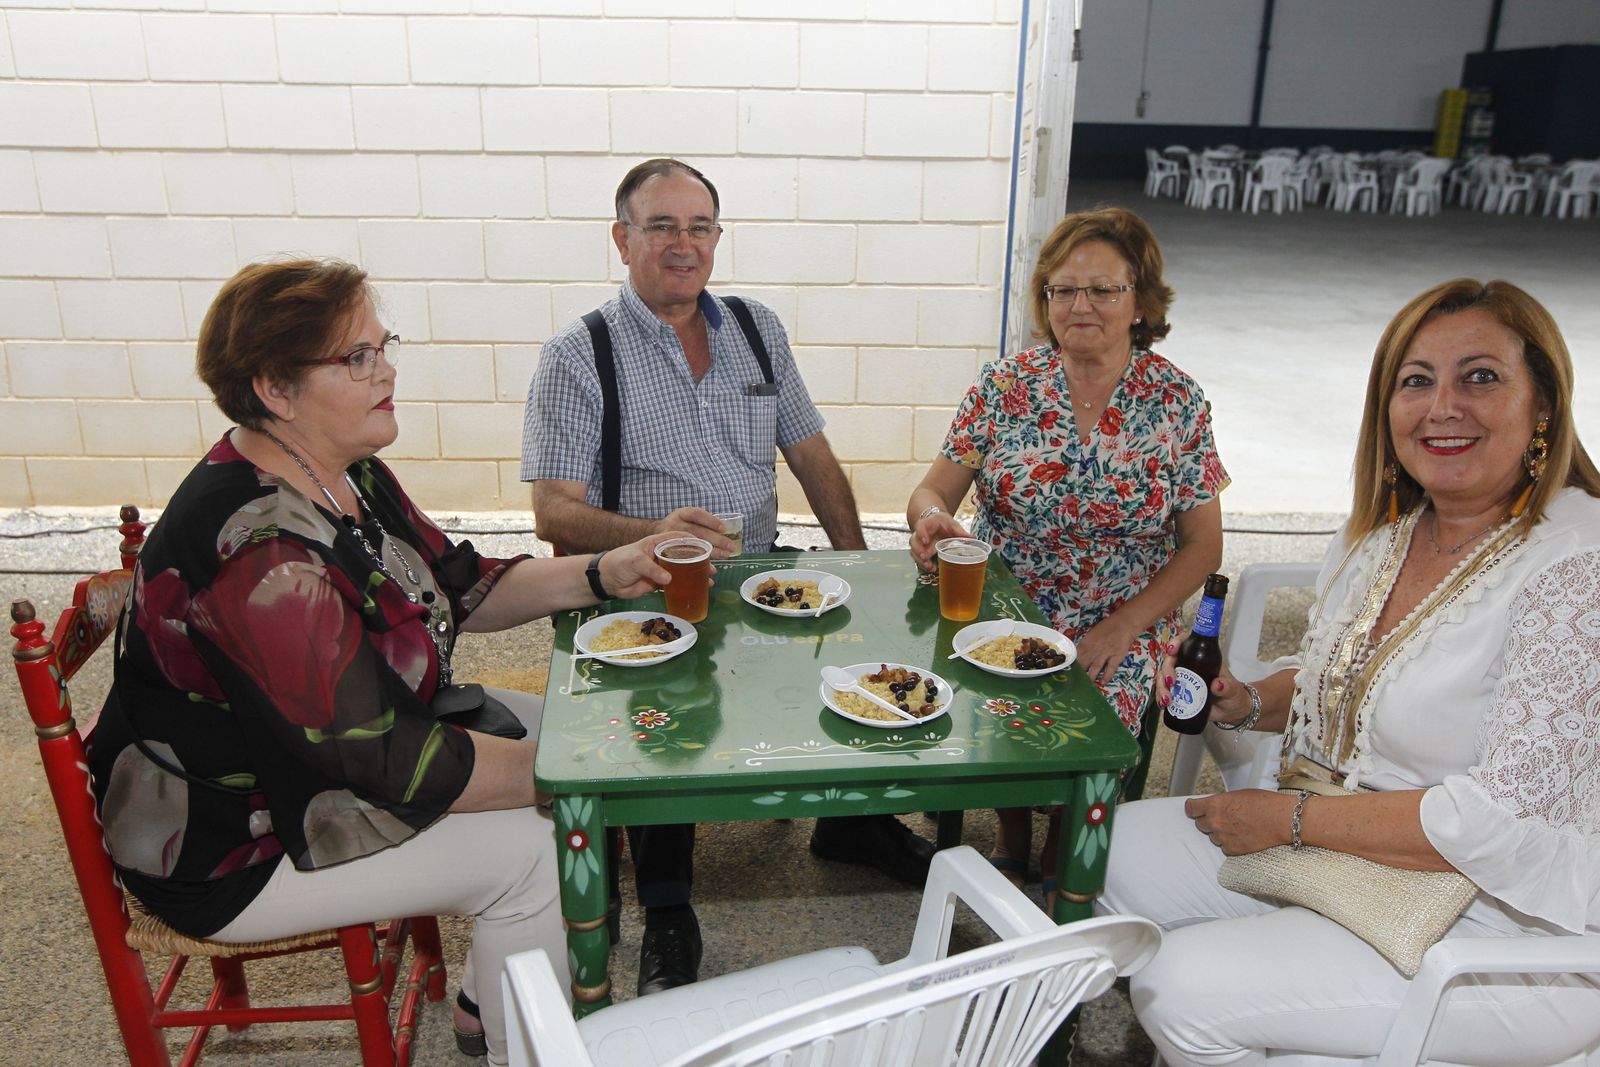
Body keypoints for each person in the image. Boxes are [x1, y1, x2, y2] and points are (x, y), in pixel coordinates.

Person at [89, 259, 677, 1067]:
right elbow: (390, 762)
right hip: (239, 841)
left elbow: (460, 584)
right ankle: (526, 1046)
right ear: (274, 387)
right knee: (544, 845)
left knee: (578, 733)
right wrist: (582, 773)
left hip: (335, 755)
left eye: (381, 345)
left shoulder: (341, 469)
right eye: (356, 357)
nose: (387, 368)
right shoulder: (261, 560)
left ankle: (488, 995)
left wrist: (604, 571)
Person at [1103, 279, 1600, 1066]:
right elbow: (1356, 678)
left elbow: (1497, 824)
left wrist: (1290, 821)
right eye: (1416, 380)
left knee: (1180, 988)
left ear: (1542, 405)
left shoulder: (1577, 561)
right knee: (1106, 849)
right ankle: (1273, 999)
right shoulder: (1389, 535)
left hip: (1495, 929)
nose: (1444, 406)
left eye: (1480, 376)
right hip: (1350, 859)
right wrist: (1242, 700)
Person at [520, 157, 935, 996]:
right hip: (646, 584)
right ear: (621, 239)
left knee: (850, 667)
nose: (684, 244)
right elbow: (554, 515)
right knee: (666, 727)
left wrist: (855, 564)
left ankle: (853, 823)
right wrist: (655, 536)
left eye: (699, 226)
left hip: (761, 574)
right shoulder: (579, 354)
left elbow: (811, 453)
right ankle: (669, 906)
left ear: (717, 237)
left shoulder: (755, 326)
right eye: (662, 226)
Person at [905, 206, 1225, 900]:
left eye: (1103, 289)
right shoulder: (1005, 387)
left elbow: (1203, 545)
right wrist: (932, 520)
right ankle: (1013, 833)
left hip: (1125, 609)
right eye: (1063, 289)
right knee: (992, 672)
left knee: (1101, 692)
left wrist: (1127, 623)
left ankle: (1062, 844)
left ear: (1139, 301)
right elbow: (932, 488)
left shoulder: (1176, 402)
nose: (1081, 305)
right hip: (1010, 592)